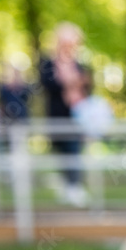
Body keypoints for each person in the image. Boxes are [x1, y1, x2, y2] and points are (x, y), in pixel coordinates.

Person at [39, 22, 88, 207]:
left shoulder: (80, 65)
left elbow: (88, 88)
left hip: (77, 117)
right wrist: (68, 84)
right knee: (61, 152)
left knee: (74, 150)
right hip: (57, 116)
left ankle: (74, 186)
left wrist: (79, 86)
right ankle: (67, 185)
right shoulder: (48, 64)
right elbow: (47, 86)